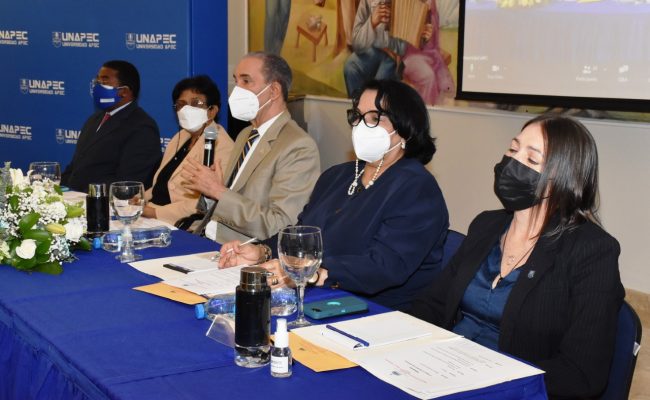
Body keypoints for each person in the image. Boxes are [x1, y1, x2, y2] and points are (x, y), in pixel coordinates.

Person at [409, 115, 624, 398]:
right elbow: (433, 305)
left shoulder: (592, 250)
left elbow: (582, 374)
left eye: (531, 159)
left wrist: (488, 378)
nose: (512, 162)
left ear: (563, 178)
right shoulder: (486, 225)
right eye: (512, 149)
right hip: (442, 374)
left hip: (512, 390)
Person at [220, 79, 449, 311]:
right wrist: (262, 251)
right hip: (320, 296)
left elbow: (384, 267)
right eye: (358, 117)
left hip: (379, 311)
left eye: (374, 118)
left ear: (405, 129)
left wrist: (311, 271)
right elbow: (302, 233)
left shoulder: (417, 189)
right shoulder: (337, 176)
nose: (361, 126)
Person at [182, 52, 320, 243]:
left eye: (246, 81)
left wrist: (219, 191)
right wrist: (210, 192)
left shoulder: (298, 146)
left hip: (239, 249)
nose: (237, 90)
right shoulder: (245, 134)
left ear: (274, 91)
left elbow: (280, 225)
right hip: (204, 236)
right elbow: (226, 202)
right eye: (236, 81)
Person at [141, 76, 234, 225]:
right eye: (181, 104)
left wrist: (153, 212)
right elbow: (161, 184)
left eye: (196, 103)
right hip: (150, 214)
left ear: (212, 111)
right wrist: (139, 200)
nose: (186, 109)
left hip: (180, 223)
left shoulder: (222, 146)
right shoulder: (181, 136)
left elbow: (206, 202)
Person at [61, 60, 161, 192]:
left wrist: (88, 194)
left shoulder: (142, 127)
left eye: (104, 82)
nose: (97, 87)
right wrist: (58, 190)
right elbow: (75, 167)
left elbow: (128, 183)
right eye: (97, 81)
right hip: (74, 197)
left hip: (102, 201)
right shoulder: (95, 119)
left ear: (124, 91)